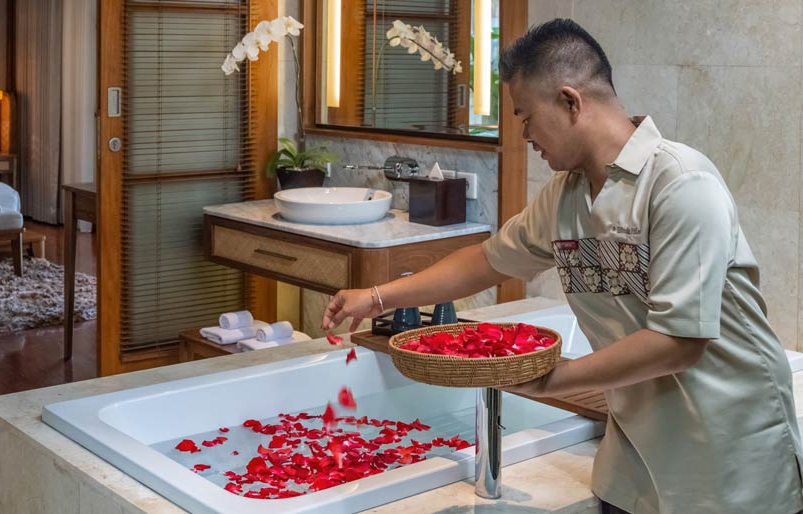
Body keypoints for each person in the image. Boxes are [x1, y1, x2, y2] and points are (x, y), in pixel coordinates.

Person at [322, 18, 803, 514]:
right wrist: (377, 297)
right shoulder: (565, 196)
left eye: (526, 117)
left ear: (571, 102)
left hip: (728, 458)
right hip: (634, 455)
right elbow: (486, 262)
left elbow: (678, 341)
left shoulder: (681, 184)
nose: (525, 134)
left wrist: (550, 378)